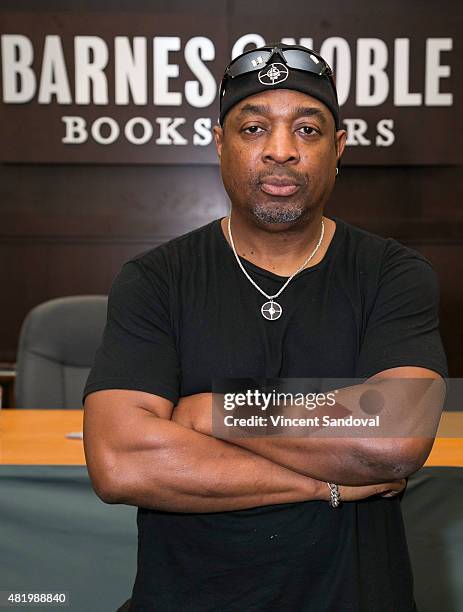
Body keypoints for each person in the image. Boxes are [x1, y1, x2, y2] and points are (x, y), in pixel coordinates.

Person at [83, 43, 448, 611]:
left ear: (338, 149)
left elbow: (394, 434)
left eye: (308, 130)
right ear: (221, 143)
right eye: (254, 128)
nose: (281, 151)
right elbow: (120, 461)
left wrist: (214, 414)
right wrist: (326, 484)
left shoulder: (392, 274)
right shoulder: (155, 279)